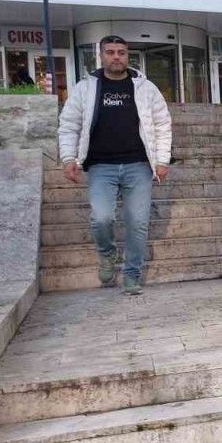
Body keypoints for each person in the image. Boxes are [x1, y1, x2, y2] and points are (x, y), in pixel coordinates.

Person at [57, 35, 172, 296]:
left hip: (138, 165)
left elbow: (162, 124)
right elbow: (69, 125)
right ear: (101, 56)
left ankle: (132, 274)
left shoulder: (145, 87)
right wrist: (68, 158)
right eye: (110, 52)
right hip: (101, 166)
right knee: (101, 218)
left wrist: (162, 160)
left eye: (121, 52)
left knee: (138, 222)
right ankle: (108, 254)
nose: (116, 57)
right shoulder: (85, 88)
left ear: (127, 55)